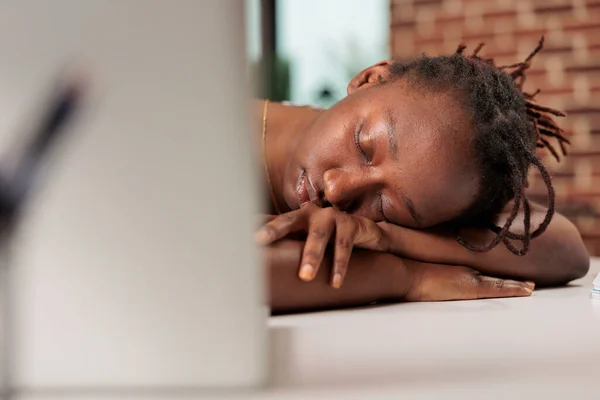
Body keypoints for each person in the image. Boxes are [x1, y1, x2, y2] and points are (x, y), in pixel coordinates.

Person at [253, 39, 590, 313]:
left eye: (386, 206)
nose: (337, 189)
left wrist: (388, 238)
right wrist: (405, 276)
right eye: (363, 145)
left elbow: (566, 248)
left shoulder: (406, 205)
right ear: (370, 78)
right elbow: (219, 273)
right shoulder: (208, 129)